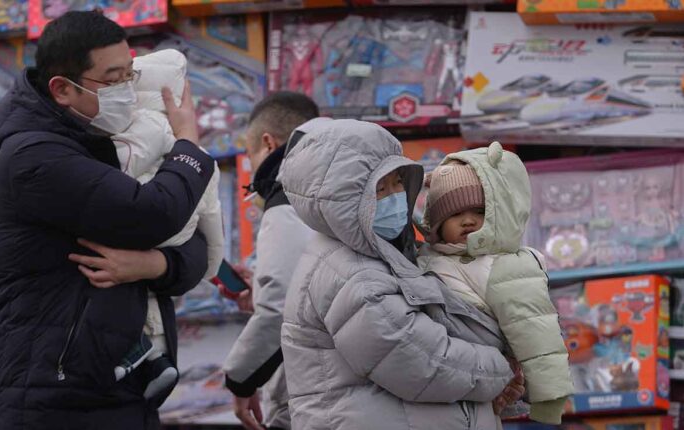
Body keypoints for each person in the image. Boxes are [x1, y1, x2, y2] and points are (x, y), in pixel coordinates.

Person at [0, 11, 213, 429]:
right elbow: (155, 215)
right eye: (113, 80)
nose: (128, 89)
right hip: (50, 397)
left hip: (120, 386)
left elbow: (195, 245)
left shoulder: (117, 143)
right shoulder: (35, 157)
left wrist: (154, 265)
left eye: (130, 74)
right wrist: (189, 147)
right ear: (62, 89)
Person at [277, 118, 525, 430]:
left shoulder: (387, 253)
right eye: (380, 189)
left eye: (397, 182)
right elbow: (420, 359)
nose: (395, 195)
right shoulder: (350, 274)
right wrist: (503, 370)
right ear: (340, 201)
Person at [417, 142, 573, 424]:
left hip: (489, 379)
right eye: (454, 214)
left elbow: (537, 334)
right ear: (437, 223)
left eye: (479, 211)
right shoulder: (429, 256)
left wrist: (548, 398)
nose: (468, 221)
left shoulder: (505, 266)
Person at [110, 48, 224, 400]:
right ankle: (155, 356)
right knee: (148, 290)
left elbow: (123, 166)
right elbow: (211, 211)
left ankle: (139, 351)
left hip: (139, 221)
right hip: (181, 230)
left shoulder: (127, 129)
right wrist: (214, 263)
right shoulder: (192, 149)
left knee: (125, 284)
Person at [221, 92, 319, 430]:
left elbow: (281, 308)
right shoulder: (343, 189)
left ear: (267, 143)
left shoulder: (287, 198)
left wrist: (241, 380)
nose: (251, 169)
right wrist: (260, 289)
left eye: (250, 156)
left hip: (312, 392)